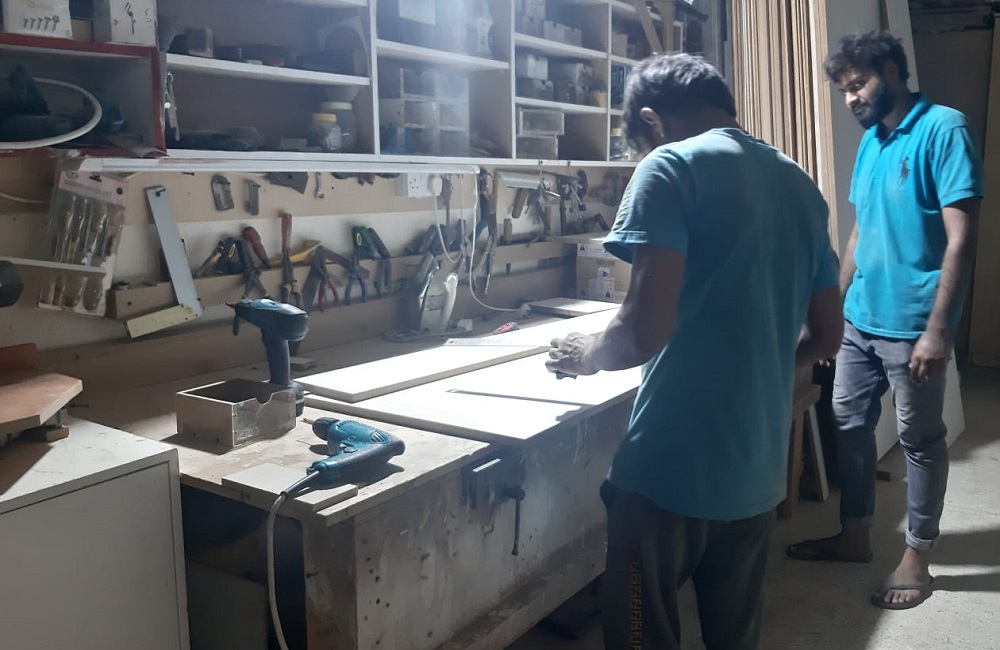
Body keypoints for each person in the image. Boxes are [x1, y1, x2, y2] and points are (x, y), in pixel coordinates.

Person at [545, 53, 843, 650]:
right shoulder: (799, 184)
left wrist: (585, 353)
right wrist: (756, 363)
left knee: (639, 633)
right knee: (734, 637)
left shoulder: (669, 166)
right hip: (755, 469)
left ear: (651, 121)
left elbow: (640, 331)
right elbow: (827, 337)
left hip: (668, 470)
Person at [786, 30, 983, 611]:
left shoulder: (944, 129)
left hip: (915, 326)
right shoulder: (872, 141)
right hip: (858, 323)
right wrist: (836, 307)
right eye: (844, 90)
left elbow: (960, 238)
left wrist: (938, 330)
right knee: (849, 426)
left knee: (920, 440)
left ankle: (917, 556)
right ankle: (854, 534)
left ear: (893, 70)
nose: (852, 98)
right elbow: (859, 233)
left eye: (859, 84)